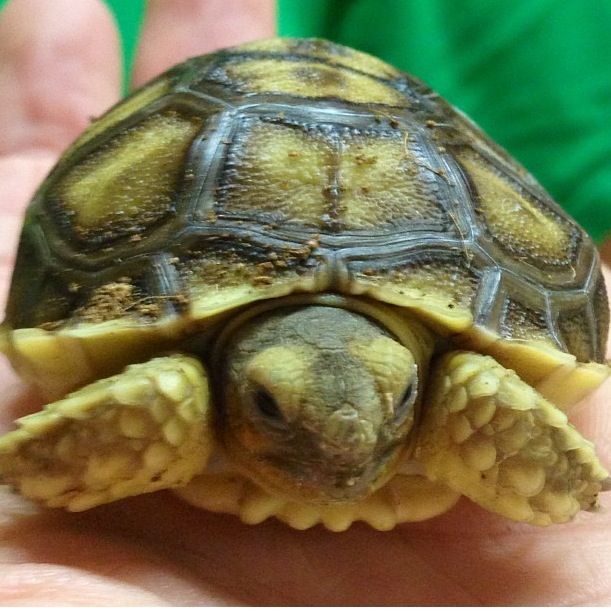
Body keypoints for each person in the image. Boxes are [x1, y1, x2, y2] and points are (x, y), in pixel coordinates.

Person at [0, 0, 610, 605]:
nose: (348, 453)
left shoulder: (453, 388)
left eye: (402, 398)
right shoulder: (179, 388)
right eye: (268, 407)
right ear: (238, 384)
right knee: (171, 396)